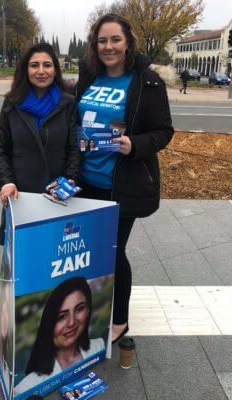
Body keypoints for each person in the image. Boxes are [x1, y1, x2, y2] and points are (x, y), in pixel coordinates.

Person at [76, 13, 174, 343]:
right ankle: (94, 308)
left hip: (121, 186)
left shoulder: (147, 81)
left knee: (114, 253)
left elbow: (164, 131)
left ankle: (119, 320)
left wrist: (134, 145)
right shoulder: (89, 76)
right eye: (102, 40)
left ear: (128, 42)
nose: (109, 47)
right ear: (95, 45)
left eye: (115, 40)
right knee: (90, 252)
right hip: (84, 183)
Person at [0, 43, 80, 245]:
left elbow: (74, 147)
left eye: (47, 65)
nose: (41, 71)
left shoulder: (68, 103)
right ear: (26, 70)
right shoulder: (12, 103)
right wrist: (6, 182)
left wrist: (71, 179)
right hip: (20, 194)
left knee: (53, 253)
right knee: (22, 256)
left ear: (55, 70)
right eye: (34, 65)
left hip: (57, 194)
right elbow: (1, 148)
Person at [13, 277, 105, 394]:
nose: (72, 322)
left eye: (79, 309)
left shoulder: (99, 346)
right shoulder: (28, 386)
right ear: (49, 324)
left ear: (88, 310)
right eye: (61, 316)